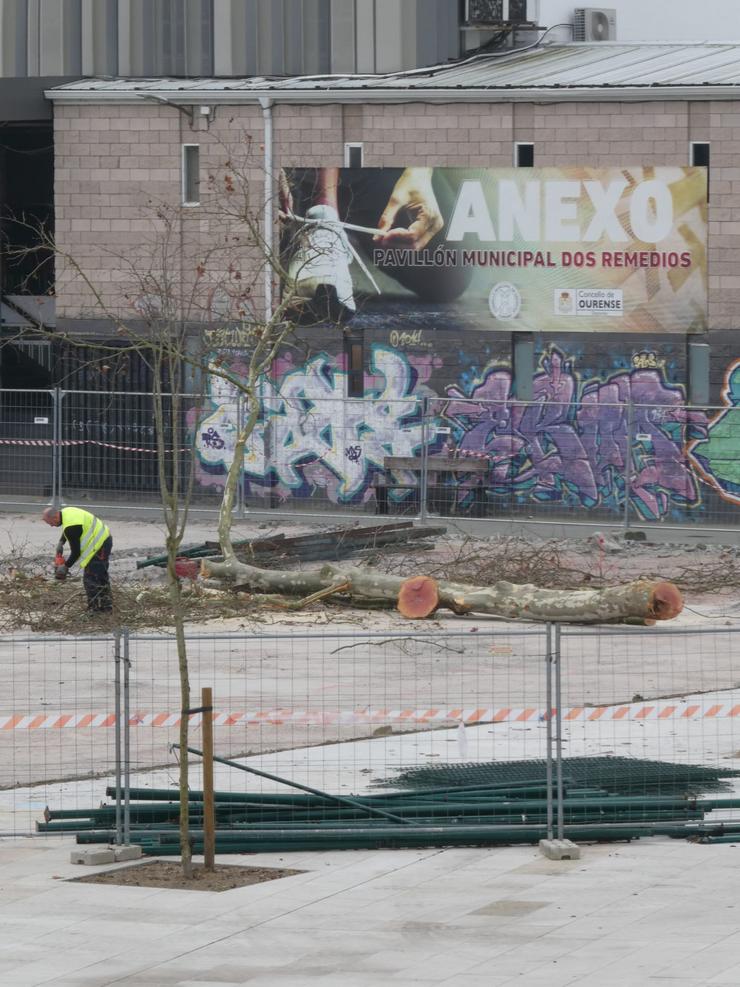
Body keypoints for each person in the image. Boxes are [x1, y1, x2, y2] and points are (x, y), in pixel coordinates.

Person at [281, 166, 473, 322]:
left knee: (449, 275)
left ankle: (333, 217)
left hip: (363, 163)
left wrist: (420, 170)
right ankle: (322, 218)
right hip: (285, 161)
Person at [42, 506, 113, 614]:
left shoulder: (71, 528)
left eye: (50, 522)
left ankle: (95, 611)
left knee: (91, 579)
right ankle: (107, 608)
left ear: (55, 516)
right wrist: (61, 542)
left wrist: (65, 567)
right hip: (104, 538)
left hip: (99, 545)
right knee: (101, 576)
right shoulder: (66, 512)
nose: (51, 525)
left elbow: (76, 553)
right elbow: (69, 528)